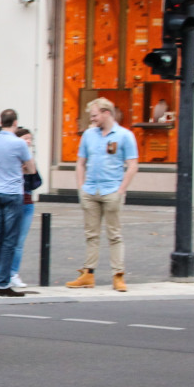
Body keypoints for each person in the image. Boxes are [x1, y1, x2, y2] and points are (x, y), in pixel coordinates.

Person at [67, 97, 139, 292]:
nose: (92, 119)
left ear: (107, 113)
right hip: (90, 190)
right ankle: (88, 274)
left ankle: (118, 275)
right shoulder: (89, 135)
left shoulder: (125, 136)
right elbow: (81, 162)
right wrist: (81, 188)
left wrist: (121, 189)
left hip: (111, 190)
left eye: (95, 115)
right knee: (91, 234)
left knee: (114, 234)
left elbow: (133, 165)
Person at [0, 109, 37, 297]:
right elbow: (31, 169)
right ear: (15, 123)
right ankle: (2, 283)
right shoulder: (18, 143)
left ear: (1, 122)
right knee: (10, 239)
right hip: (14, 193)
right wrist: (21, 167)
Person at [8, 127, 42, 289]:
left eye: (30, 139)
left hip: (27, 203)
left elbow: (36, 183)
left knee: (19, 241)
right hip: (12, 201)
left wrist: (29, 170)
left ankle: (13, 273)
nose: (28, 142)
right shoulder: (10, 157)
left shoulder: (29, 159)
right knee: (8, 239)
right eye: (25, 138)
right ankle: (3, 273)